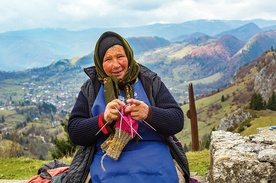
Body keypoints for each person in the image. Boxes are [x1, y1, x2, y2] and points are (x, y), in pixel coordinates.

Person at [67, 31, 190, 183]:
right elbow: (74, 131)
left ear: (129, 57)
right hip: (108, 159)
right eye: (108, 59)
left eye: (120, 57)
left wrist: (148, 113)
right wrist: (103, 119)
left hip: (153, 156)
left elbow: (176, 120)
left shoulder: (149, 81)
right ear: (99, 63)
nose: (116, 65)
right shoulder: (91, 88)